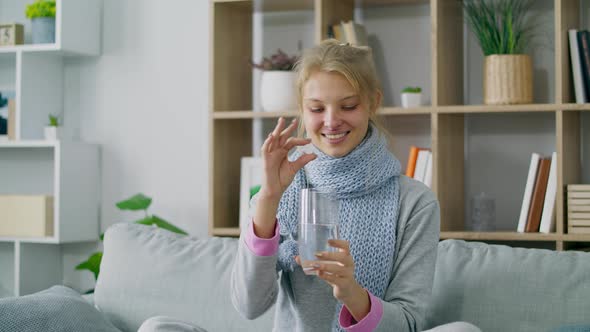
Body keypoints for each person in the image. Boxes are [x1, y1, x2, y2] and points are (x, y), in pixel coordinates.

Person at [230, 39, 481, 332]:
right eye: (316, 108)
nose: (331, 121)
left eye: (348, 106)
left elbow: (409, 324)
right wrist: (269, 197)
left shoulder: (414, 202)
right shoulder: (278, 192)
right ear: (302, 109)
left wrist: (352, 293)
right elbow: (249, 306)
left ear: (373, 102)